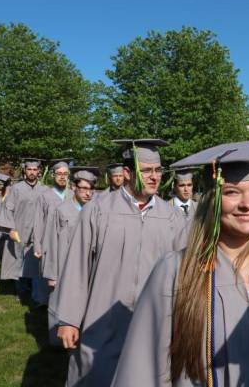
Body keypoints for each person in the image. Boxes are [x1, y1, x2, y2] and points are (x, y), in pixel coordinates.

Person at [113, 137, 249, 386]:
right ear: (213, 201)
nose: (247, 204)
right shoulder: (175, 273)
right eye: (231, 192)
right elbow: (143, 370)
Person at [55, 139, 185, 386]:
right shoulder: (98, 209)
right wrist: (69, 319)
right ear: (127, 173)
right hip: (100, 318)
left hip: (153, 322)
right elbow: (77, 265)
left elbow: (182, 274)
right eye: (146, 171)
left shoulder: (172, 218)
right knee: (95, 375)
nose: (154, 177)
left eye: (158, 170)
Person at [44, 166, 99, 346]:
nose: (88, 193)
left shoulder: (96, 212)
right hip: (63, 265)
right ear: (74, 187)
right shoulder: (61, 210)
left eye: (91, 189)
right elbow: (51, 242)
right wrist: (52, 273)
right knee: (58, 301)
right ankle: (56, 341)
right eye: (84, 188)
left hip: (86, 267)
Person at [0, 158, 48, 299]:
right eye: (29, 169)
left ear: (38, 172)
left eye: (34, 170)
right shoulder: (16, 189)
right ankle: (21, 291)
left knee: (35, 260)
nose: (32, 172)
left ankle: (35, 292)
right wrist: (11, 229)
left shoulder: (44, 190)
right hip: (19, 230)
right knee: (18, 259)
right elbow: (8, 210)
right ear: (25, 171)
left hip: (38, 232)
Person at [31, 159, 73, 305]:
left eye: (65, 174)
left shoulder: (73, 196)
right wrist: (37, 245)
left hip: (69, 243)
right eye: (59, 173)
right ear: (53, 175)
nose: (62, 176)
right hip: (49, 243)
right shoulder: (45, 196)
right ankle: (45, 303)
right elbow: (38, 222)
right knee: (48, 273)